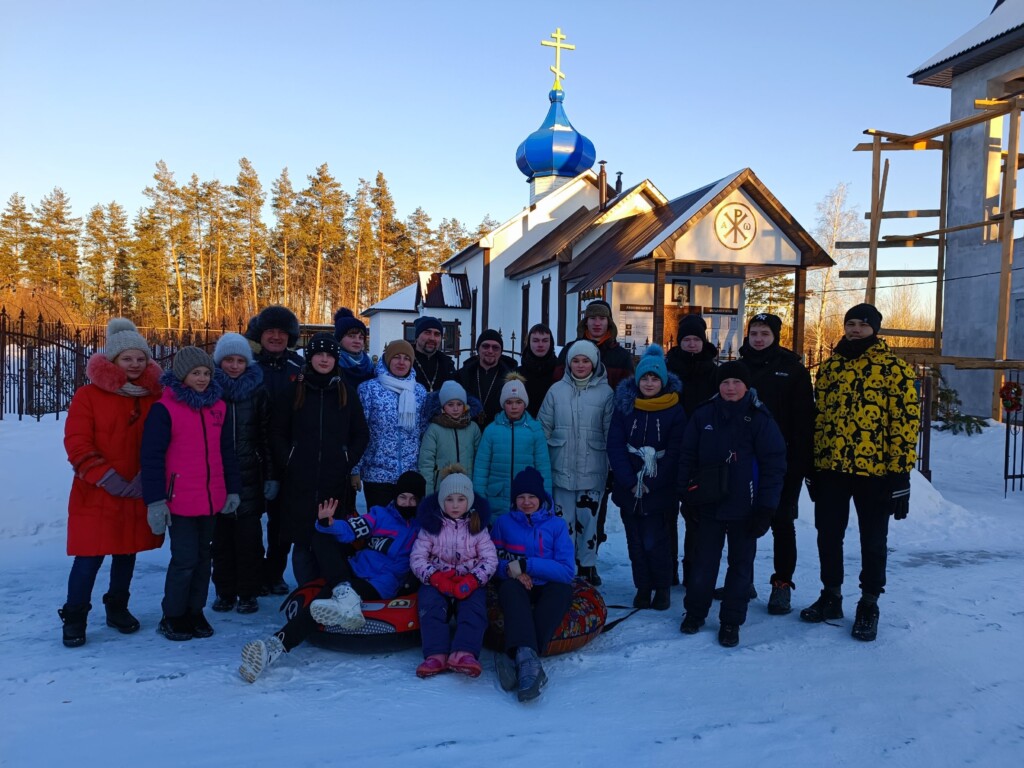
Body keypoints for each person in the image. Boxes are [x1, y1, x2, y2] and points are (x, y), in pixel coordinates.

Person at [800, 303, 919, 642]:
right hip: (832, 469)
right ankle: (831, 595)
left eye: (861, 325)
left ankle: (869, 602)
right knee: (828, 534)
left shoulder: (894, 369)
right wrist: (813, 465)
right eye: (850, 323)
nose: (854, 330)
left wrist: (900, 475)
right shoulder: (831, 367)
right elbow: (819, 418)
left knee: (873, 539)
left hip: (875, 472)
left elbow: (905, 424)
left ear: (874, 329)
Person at [238, 472, 426, 683]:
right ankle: (343, 593)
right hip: (353, 571)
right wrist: (329, 524)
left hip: (382, 583)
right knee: (321, 536)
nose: (407, 503)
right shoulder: (381, 515)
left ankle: (274, 647)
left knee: (324, 599)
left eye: (413, 499)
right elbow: (353, 529)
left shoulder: (423, 528)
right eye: (403, 497)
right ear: (396, 497)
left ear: (420, 501)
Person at [59, 318, 164, 648]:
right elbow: (77, 442)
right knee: (89, 557)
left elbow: (164, 441)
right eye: (126, 358)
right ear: (112, 361)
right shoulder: (88, 396)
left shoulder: (153, 397)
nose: (134, 364)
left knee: (126, 552)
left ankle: (117, 607)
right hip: (98, 491)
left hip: (138, 489)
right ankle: (75, 615)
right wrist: (107, 477)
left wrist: (147, 477)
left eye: (140, 358)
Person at [678, 361, 786, 648]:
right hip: (707, 505)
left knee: (740, 565)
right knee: (703, 563)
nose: (730, 388)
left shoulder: (760, 418)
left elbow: (773, 465)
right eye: (725, 382)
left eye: (736, 382)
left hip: (745, 508)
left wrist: (765, 508)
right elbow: (687, 457)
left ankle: (731, 620)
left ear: (746, 386)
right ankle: (696, 612)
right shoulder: (703, 415)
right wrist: (686, 496)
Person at [141, 346, 241, 642]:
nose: (202, 378)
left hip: (211, 498)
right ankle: (172, 615)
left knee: (203, 558)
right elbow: (152, 457)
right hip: (180, 500)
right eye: (196, 373)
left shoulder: (218, 407)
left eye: (207, 373)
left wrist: (233, 489)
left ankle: (195, 611)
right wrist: (155, 501)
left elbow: (227, 452)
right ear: (182, 375)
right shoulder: (165, 408)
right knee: (184, 559)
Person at [273, 333, 369, 587]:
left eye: (329, 355)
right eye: (319, 354)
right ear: (310, 357)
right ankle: (306, 591)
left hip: (333, 478)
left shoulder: (345, 391)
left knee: (329, 537)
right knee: (303, 539)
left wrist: (347, 459)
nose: (324, 360)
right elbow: (277, 431)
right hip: (300, 479)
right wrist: (289, 457)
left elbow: (361, 433)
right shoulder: (294, 390)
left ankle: (328, 590)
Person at [734, 313, 814, 615]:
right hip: (742, 460)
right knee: (741, 523)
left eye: (765, 333)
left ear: (775, 336)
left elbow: (804, 421)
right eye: (754, 332)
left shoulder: (792, 370)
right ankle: (743, 580)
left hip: (781, 463)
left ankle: (782, 585)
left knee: (782, 524)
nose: (758, 339)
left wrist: (799, 464)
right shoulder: (738, 368)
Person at [607, 345, 687, 611]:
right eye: (645, 378)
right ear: (637, 380)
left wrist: (653, 482)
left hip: (659, 488)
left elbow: (676, 450)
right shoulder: (625, 407)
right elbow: (615, 444)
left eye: (654, 378)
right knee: (636, 542)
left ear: (662, 381)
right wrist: (629, 480)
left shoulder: (674, 409)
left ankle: (662, 586)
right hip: (629, 485)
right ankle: (642, 586)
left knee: (657, 541)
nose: (649, 383)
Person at [490, 466, 575, 702]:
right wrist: (511, 571)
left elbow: (567, 570)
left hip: (548, 584)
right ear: (514, 499)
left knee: (563, 591)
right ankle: (529, 664)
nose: (526, 502)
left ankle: (518, 656)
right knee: (508, 589)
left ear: (541, 498)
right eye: (521, 497)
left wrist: (527, 565)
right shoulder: (503, 523)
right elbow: (491, 559)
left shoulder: (556, 526)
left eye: (531, 497)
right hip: (516, 583)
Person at [410, 466, 497, 678]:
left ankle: (464, 652)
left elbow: (490, 559)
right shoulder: (432, 525)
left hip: (469, 580)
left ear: (469, 501)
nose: (455, 505)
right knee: (431, 607)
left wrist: (473, 580)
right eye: (449, 499)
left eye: (461, 499)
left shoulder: (477, 526)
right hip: (439, 579)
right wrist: (435, 577)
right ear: (441, 501)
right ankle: (436, 654)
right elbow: (417, 557)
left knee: (473, 608)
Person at [538, 339, 613, 585]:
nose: (580, 365)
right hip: (561, 466)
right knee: (563, 521)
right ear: (569, 363)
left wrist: (612, 466)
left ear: (594, 363)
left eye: (585, 360)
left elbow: (611, 432)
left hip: (592, 467)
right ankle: (566, 563)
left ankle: (588, 564)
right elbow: (543, 428)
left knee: (589, 520)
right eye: (576, 360)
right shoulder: (556, 391)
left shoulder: (606, 393)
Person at [211, 333, 273, 615]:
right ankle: (225, 591)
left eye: (240, 361)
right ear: (219, 361)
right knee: (221, 541)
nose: (234, 366)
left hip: (250, 475)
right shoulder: (209, 389)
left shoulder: (257, 390)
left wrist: (270, 474)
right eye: (229, 360)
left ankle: (248, 592)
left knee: (249, 540)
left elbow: (266, 436)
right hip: (217, 476)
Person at [247, 304, 304, 596]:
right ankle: (253, 573)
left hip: (284, 455)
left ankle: (274, 572)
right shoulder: (248, 365)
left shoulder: (298, 368)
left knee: (281, 522)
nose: (276, 337)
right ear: (261, 333)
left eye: (282, 332)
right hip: (250, 454)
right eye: (271, 331)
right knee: (249, 520)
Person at [665, 313, 719, 589]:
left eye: (696, 339)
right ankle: (668, 567)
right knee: (666, 513)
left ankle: (692, 568)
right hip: (671, 447)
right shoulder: (668, 367)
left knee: (695, 513)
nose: (691, 344)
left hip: (702, 451)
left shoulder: (713, 369)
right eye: (686, 339)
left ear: (703, 340)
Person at [354, 339, 429, 510]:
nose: (402, 362)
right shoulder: (369, 389)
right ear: (387, 360)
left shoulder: (419, 391)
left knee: (408, 528)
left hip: (410, 473)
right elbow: (360, 431)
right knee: (381, 527)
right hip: (377, 474)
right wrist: (355, 469)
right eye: (396, 357)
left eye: (406, 358)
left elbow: (423, 431)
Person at [473, 375, 552, 520]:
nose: (514, 407)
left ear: (525, 403)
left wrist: (545, 497)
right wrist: (479, 500)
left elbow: (543, 468)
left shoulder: (535, 431)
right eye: (509, 402)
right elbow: (481, 468)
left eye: (518, 402)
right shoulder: (491, 430)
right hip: (496, 500)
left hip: (525, 501)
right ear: (503, 404)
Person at [418, 380, 482, 496]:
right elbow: (426, 464)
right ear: (443, 406)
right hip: (441, 487)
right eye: (450, 404)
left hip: (467, 486)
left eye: (459, 404)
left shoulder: (473, 428)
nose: (455, 409)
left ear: (465, 406)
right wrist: (428, 493)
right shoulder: (434, 429)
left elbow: (480, 461)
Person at [556, 300, 634, 389]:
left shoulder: (622, 357)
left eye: (602, 318)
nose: (597, 323)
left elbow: (627, 392)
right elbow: (558, 385)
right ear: (586, 322)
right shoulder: (569, 351)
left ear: (609, 322)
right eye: (592, 318)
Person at [459, 329, 517, 426]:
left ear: (500, 351)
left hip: (498, 431)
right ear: (478, 349)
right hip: (468, 430)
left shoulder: (511, 379)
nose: (490, 351)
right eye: (485, 346)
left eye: (495, 347)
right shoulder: (463, 375)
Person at [516, 322, 559, 418]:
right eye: (535, 341)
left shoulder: (560, 373)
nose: (540, 345)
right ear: (529, 343)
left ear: (551, 343)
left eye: (545, 340)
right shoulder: (517, 374)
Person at [411, 315, 457, 393]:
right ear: (417, 336)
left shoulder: (447, 365)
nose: (432, 338)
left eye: (437, 334)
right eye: (427, 333)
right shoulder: (405, 360)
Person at [333, 307, 375, 390]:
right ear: (339, 339)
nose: (357, 341)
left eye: (361, 337)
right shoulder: (332, 364)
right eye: (351, 336)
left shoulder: (370, 366)